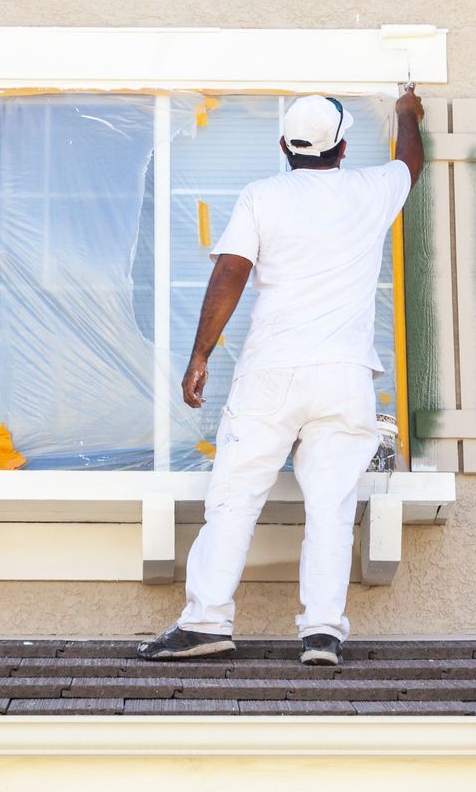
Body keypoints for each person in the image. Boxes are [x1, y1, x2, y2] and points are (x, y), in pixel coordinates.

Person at [138, 84, 426, 667]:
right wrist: (406, 113)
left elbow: (232, 272)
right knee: (332, 506)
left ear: (283, 146)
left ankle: (205, 623)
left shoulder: (261, 196)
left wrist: (200, 355)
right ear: (342, 148)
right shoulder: (370, 190)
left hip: (272, 371)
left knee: (235, 497)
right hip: (343, 375)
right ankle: (321, 633)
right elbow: (410, 163)